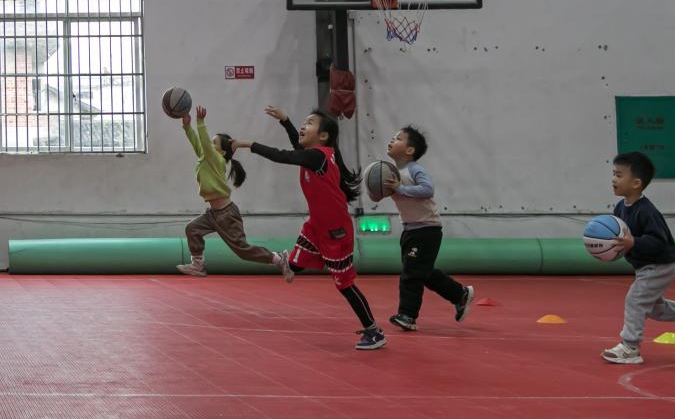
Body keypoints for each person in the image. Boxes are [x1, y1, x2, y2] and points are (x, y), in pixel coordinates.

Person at [232, 107, 386, 350]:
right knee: (295, 262)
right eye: (304, 123)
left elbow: (283, 155)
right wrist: (286, 121)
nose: (304, 126)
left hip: (336, 232)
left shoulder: (318, 157)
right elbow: (297, 147)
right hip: (318, 224)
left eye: (310, 123)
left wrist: (247, 144)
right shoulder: (318, 154)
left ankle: (374, 331)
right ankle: (287, 261)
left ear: (323, 135)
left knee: (344, 285)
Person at [601, 151, 675, 364]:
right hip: (646, 267)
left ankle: (630, 347)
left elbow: (659, 242)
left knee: (635, 299)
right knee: (657, 309)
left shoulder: (647, 211)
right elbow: (619, 237)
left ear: (636, 182)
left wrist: (633, 242)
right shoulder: (620, 208)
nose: (613, 179)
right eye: (613, 174)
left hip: (659, 265)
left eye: (619, 175)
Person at [175, 105, 291, 280]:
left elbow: (204, 144)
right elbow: (198, 143)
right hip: (213, 214)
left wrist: (200, 123)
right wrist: (187, 127)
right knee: (192, 229)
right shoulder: (206, 157)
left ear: (222, 151)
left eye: (214, 143)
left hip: (226, 215)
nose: (210, 144)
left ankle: (278, 259)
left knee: (242, 250)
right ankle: (198, 264)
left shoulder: (217, 160)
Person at [381, 125, 475, 331]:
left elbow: (427, 189)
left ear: (409, 150)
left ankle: (407, 315)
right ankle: (460, 294)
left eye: (398, 138)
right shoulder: (392, 172)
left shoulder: (414, 169)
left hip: (427, 229)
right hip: (410, 230)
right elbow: (378, 195)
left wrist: (400, 188)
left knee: (411, 274)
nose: (391, 140)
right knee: (422, 272)